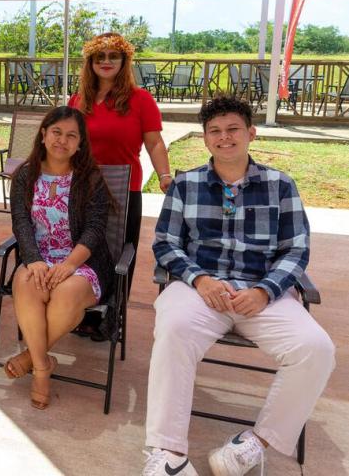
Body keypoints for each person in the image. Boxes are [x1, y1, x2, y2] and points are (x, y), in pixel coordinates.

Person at [143, 97, 335, 476]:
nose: (223, 137)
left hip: (261, 292)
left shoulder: (280, 185)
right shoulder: (186, 184)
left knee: (317, 349)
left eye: (232, 129)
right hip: (201, 289)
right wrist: (199, 279)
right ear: (204, 139)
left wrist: (265, 290)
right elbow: (165, 242)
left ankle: (253, 444)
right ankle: (168, 454)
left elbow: (296, 249)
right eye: (214, 131)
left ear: (251, 132)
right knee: (173, 329)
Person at [3, 106, 114, 409]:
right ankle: (42, 366)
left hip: (82, 262)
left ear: (80, 143)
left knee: (65, 295)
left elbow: (94, 229)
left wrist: (68, 265)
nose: (62, 141)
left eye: (71, 136)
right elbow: (21, 222)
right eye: (56, 132)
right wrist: (34, 259)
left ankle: (32, 360)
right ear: (43, 134)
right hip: (39, 257)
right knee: (26, 283)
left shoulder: (89, 178)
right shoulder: (26, 174)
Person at [69, 32, 171, 325]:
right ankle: (81, 310)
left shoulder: (140, 100)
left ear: (124, 61)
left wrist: (164, 175)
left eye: (113, 56)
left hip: (124, 189)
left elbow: (154, 143)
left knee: (119, 250)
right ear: (90, 62)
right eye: (99, 56)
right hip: (81, 187)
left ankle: (113, 313)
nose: (106, 61)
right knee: (81, 246)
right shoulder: (78, 99)